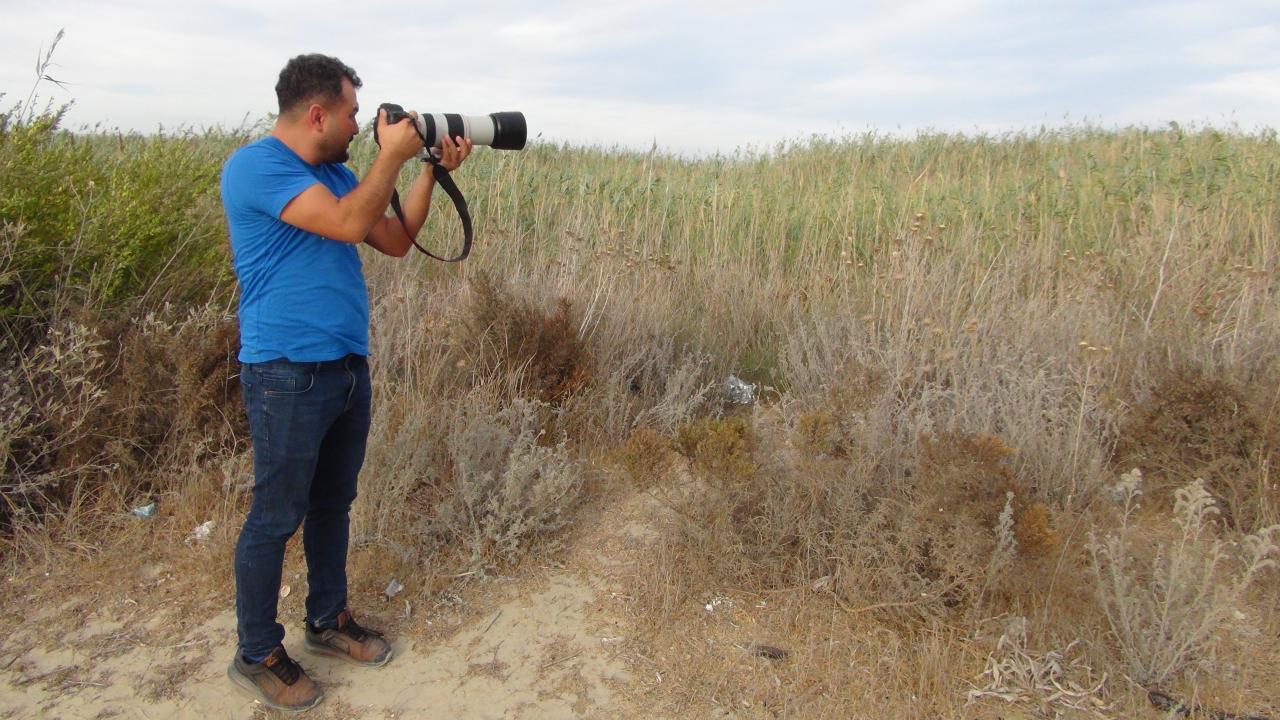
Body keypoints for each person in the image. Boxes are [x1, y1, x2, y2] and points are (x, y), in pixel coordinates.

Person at [219, 53, 471, 712]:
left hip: (343, 370)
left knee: (332, 507)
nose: (362, 124)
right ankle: (257, 653)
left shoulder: (336, 172)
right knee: (275, 517)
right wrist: (391, 155)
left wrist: (427, 171)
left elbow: (391, 238)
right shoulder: (257, 167)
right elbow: (347, 223)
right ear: (317, 112)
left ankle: (328, 620)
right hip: (284, 373)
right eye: (354, 111)